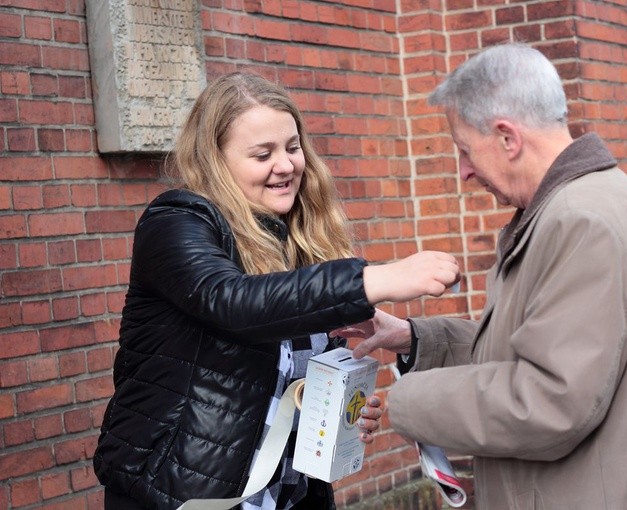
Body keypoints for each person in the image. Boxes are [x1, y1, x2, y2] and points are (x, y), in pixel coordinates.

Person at [335, 43, 627, 509]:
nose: (464, 172)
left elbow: (551, 400)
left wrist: (411, 401)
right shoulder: (579, 207)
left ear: (507, 137)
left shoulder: (581, 221)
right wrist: (414, 338)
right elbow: (536, 351)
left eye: (464, 150)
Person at [93, 72, 460, 510]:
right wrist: (372, 280)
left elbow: (281, 388)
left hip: (287, 495)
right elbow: (236, 302)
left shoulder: (302, 238)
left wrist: (338, 413)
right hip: (183, 495)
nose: (285, 165)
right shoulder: (177, 222)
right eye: (262, 154)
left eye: (292, 147)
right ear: (215, 161)